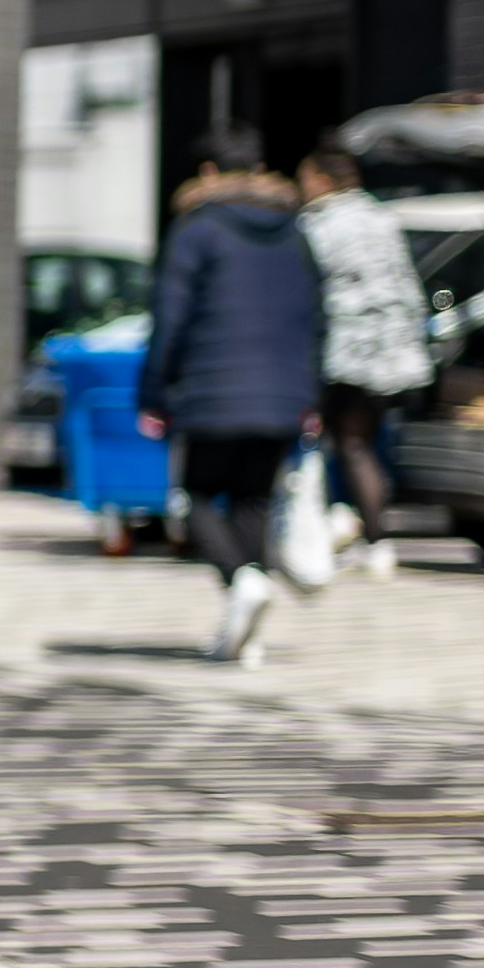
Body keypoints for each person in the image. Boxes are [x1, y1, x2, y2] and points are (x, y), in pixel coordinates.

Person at [140, 147, 322, 660]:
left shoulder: (196, 230)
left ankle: (242, 582)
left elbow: (169, 319)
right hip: (284, 395)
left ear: (207, 171)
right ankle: (247, 633)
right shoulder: (295, 233)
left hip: (211, 391)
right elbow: (318, 318)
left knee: (194, 495)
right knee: (253, 501)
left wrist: (154, 391)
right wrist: (312, 394)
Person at [299, 138, 429, 566]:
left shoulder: (319, 224)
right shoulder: (381, 217)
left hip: (343, 349)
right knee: (362, 443)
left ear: (322, 180)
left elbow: (306, 289)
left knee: (336, 443)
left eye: (306, 180)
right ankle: (374, 540)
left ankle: (337, 531)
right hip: (391, 352)